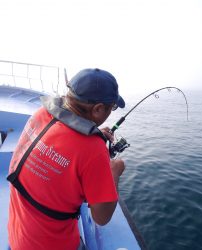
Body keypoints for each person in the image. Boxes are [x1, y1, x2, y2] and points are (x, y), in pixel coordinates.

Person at [7, 68, 126, 250]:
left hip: (18, 236)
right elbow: (102, 218)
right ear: (98, 109)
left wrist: (91, 133)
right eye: (112, 107)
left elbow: (63, 141)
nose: (111, 111)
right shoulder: (93, 149)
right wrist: (114, 173)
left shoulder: (41, 114)